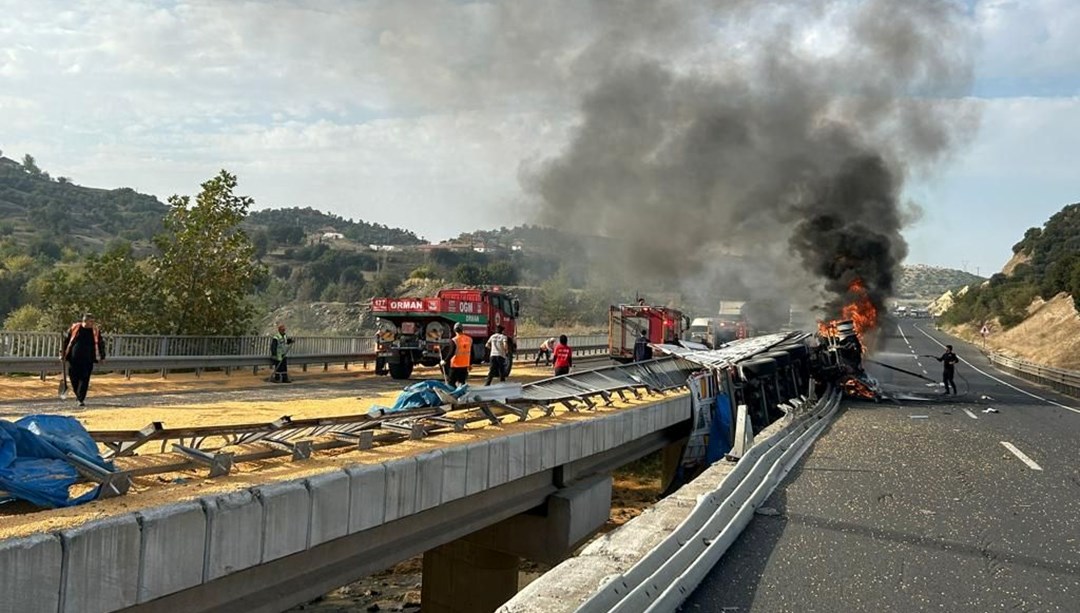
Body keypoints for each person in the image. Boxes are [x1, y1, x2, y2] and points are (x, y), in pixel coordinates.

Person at [62, 313, 106, 407]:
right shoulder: (75, 328)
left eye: (93, 322)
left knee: (84, 379)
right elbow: (66, 341)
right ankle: (78, 395)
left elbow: (101, 344)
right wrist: (62, 354)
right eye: (91, 321)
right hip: (73, 359)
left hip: (88, 359)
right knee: (73, 378)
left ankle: (80, 399)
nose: (92, 324)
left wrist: (102, 356)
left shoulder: (95, 331)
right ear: (84, 321)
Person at [441, 323, 472, 387]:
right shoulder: (469, 339)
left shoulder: (454, 340)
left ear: (454, 330)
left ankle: (454, 395)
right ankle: (461, 395)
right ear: (462, 330)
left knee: (451, 383)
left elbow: (451, 353)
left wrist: (445, 361)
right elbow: (471, 353)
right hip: (464, 365)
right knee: (462, 382)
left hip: (455, 365)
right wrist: (470, 364)